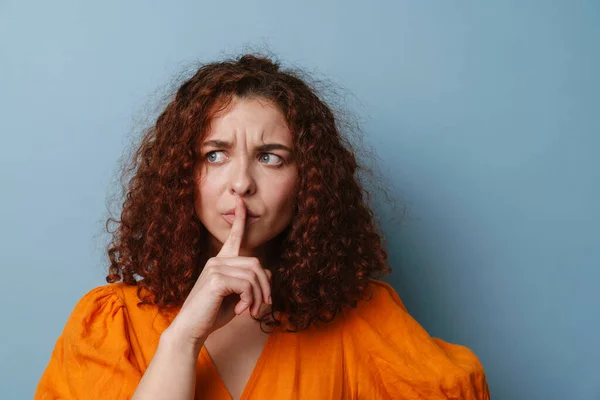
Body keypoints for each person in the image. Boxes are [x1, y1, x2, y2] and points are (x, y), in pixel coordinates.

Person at [35, 54, 490, 400]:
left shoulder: (366, 319)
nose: (241, 184)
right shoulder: (110, 322)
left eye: (270, 156)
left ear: (307, 181)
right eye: (215, 154)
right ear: (181, 175)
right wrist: (181, 339)